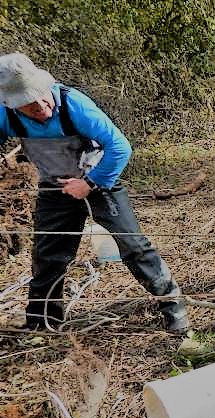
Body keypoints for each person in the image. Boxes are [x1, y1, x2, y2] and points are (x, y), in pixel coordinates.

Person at [0, 53, 190, 334]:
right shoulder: (5, 115)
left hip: (100, 182)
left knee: (134, 246)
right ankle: (42, 321)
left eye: (42, 97)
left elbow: (120, 147)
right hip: (55, 188)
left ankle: (173, 306)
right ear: (11, 105)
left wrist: (89, 183)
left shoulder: (74, 104)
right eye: (30, 105)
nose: (42, 107)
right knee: (48, 255)